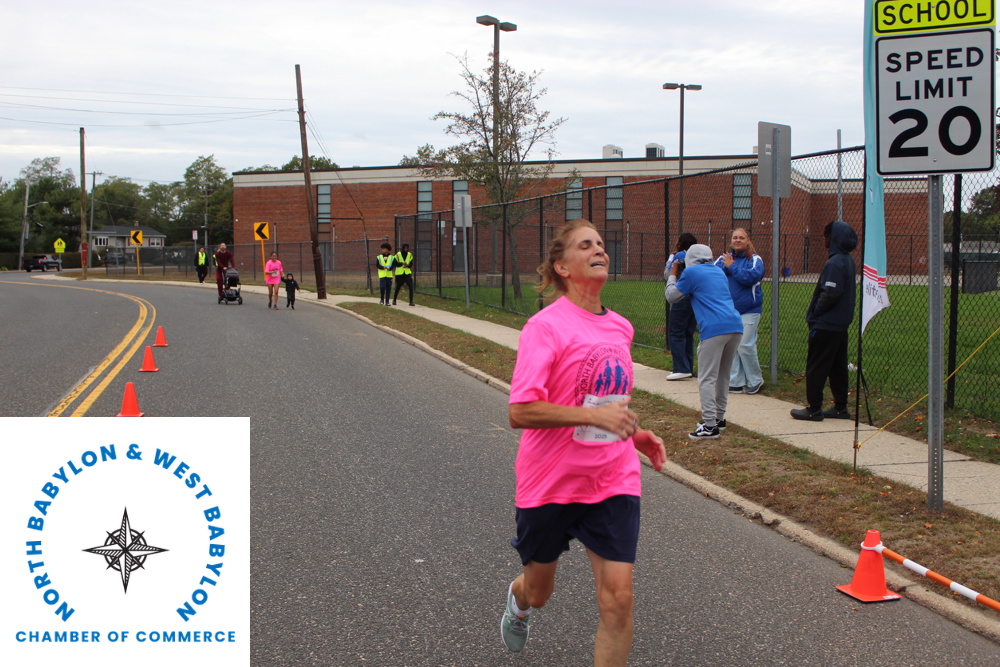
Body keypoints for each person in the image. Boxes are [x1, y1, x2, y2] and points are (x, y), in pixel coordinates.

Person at [502, 219, 666, 666]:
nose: (599, 250)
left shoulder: (621, 327)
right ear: (562, 267)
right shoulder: (545, 327)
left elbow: (603, 400)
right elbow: (520, 411)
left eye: (601, 244)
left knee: (619, 599)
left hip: (611, 477)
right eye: (585, 245)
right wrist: (594, 416)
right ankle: (519, 601)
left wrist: (632, 433)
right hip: (551, 481)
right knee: (540, 592)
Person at [665, 243, 743, 439]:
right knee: (723, 376)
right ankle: (718, 418)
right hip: (735, 325)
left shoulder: (691, 273)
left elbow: (671, 296)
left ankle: (709, 426)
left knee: (707, 378)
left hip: (714, 328)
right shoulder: (719, 272)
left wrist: (673, 274)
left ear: (690, 259)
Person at [791, 220, 858, 421]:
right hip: (839, 325)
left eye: (826, 236)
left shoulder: (835, 262)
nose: (824, 240)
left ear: (834, 238)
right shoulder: (847, 260)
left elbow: (830, 293)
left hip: (826, 324)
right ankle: (840, 407)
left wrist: (816, 313)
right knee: (838, 367)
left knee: (816, 366)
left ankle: (814, 408)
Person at [715, 228, 766, 395]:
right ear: (731, 241)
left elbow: (750, 278)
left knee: (744, 345)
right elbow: (714, 274)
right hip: (728, 310)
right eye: (735, 237)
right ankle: (735, 382)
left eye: (741, 238)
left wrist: (732, 267)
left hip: (749, 310)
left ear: (748, 240)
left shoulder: (755, 259)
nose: (737, 240)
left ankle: (755, 380)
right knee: (732, 346)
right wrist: (729, 266)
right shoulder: (723, 259)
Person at [663, 233, 698, 381]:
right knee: (688, 333)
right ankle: (688, 366)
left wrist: (671, 258)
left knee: (676, 333)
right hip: (694, 297)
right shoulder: (696, 257)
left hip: (680, 295)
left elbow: (668, 274)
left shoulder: (679, 256)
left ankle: (680, 368)